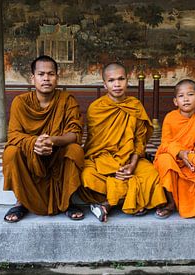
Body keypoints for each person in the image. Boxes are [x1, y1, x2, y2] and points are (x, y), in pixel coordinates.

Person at [80, 62, 167, 222]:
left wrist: (132, 165)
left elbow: (140, 142)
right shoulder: (96, 108)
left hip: (131, 159)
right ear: (105, 84)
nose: (117, 84)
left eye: (121, 79)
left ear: (127, 80)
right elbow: (95, 146)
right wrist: (114, 169)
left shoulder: (135, 106)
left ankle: (109, 203)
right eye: (112, 80)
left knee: (152, 174)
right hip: (103, 161)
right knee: (87, 176)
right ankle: (133, 199)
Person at [3, 55, 84, 222]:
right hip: (30, 154)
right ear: (33, 78)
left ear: (57, 77)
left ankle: (67, 201)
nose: (46, 78)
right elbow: (13, 135)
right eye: (41, 74)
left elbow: (75, 134)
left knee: (75, 150)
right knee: (11, 152)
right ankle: (21, 201)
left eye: (51, 74)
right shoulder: (20, 102)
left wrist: (52, 141)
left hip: (57, 154)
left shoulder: (67, 101)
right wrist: (34, 143)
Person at [154, 79, 195, 222]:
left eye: (190, 94)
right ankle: (171, 203)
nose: (185, 99)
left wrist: (192, 156)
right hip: (176, 159)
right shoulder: (170, 118)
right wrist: (181, 153)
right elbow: (165, 143)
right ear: (175, 101)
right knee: (164, 159)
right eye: (181, 96)